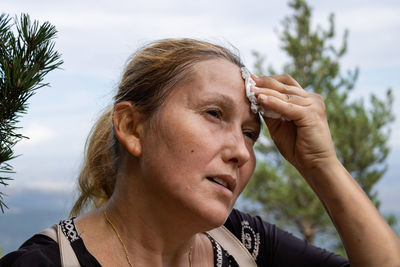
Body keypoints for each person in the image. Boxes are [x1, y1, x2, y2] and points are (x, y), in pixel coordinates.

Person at [1, 38, 399, 267]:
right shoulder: (46, 264)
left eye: (250, 133)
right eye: (214, 113)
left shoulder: (245, 243)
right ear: (132, 127)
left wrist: (320, 165)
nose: (241, 152)